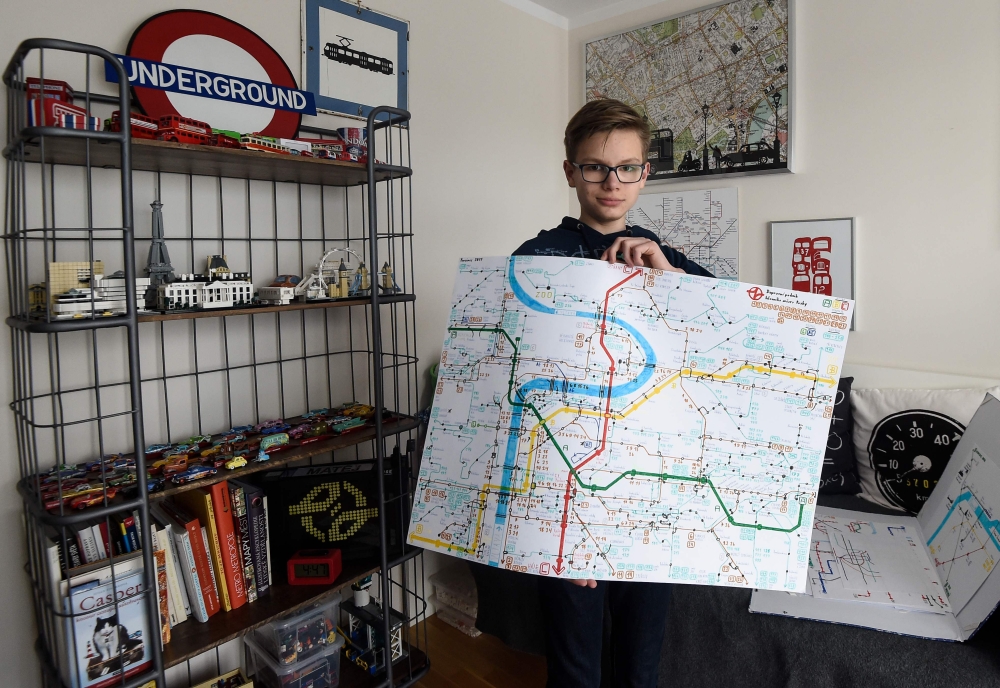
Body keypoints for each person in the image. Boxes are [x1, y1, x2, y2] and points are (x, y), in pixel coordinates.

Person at [512, 99, 713, 688]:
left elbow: (725, 340)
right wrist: (563, 525)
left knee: (640, 666)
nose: (612, 182)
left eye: (627, 167)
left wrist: (669, 278)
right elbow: (520, 395)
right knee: (576, 670)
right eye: (596, 167)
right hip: (568, 495)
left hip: (652, 495)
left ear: (645, 172)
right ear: (570, 171)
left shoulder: (665, 258)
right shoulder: (535, 260)